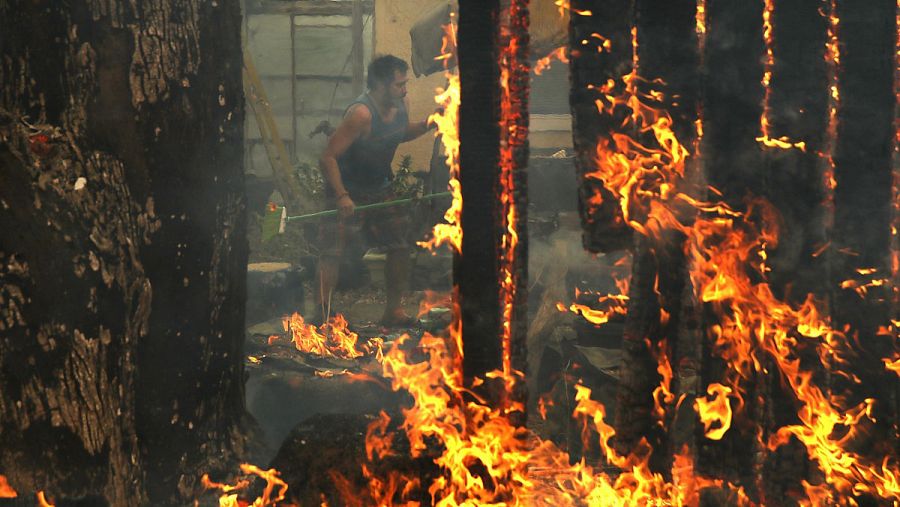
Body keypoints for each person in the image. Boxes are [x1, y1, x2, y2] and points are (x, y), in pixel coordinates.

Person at [315, 55, 435, 327]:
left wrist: (433, 122)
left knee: (400, 245)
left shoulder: (400, 104)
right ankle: (322, 313)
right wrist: (342, 195)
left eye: (405, 84)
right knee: (333, 251)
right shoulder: (361, 114)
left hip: (379, 186)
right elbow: (328, 157)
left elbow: (401, 132)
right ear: (381, 85)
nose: (405, 90)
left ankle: (393, 311)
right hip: (346, 188)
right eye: (399, 84)